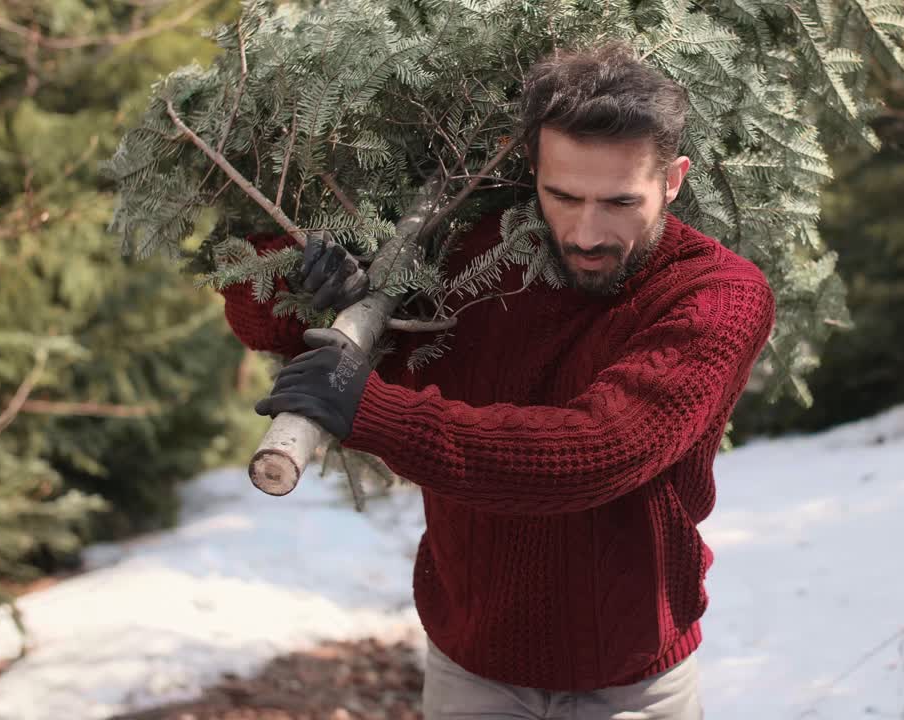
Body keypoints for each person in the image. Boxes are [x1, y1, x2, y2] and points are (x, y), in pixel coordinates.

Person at [220, 42, 775, 720]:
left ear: (674, 179)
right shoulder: (480, 251)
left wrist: (373, 412)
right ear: (531, 171)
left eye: (620, 202)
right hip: (470, 666)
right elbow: (266, 323)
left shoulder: (718, 295)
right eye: (563, 196)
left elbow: (598, 450)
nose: (588, 231)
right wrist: (304, 279)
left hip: (632, 683)